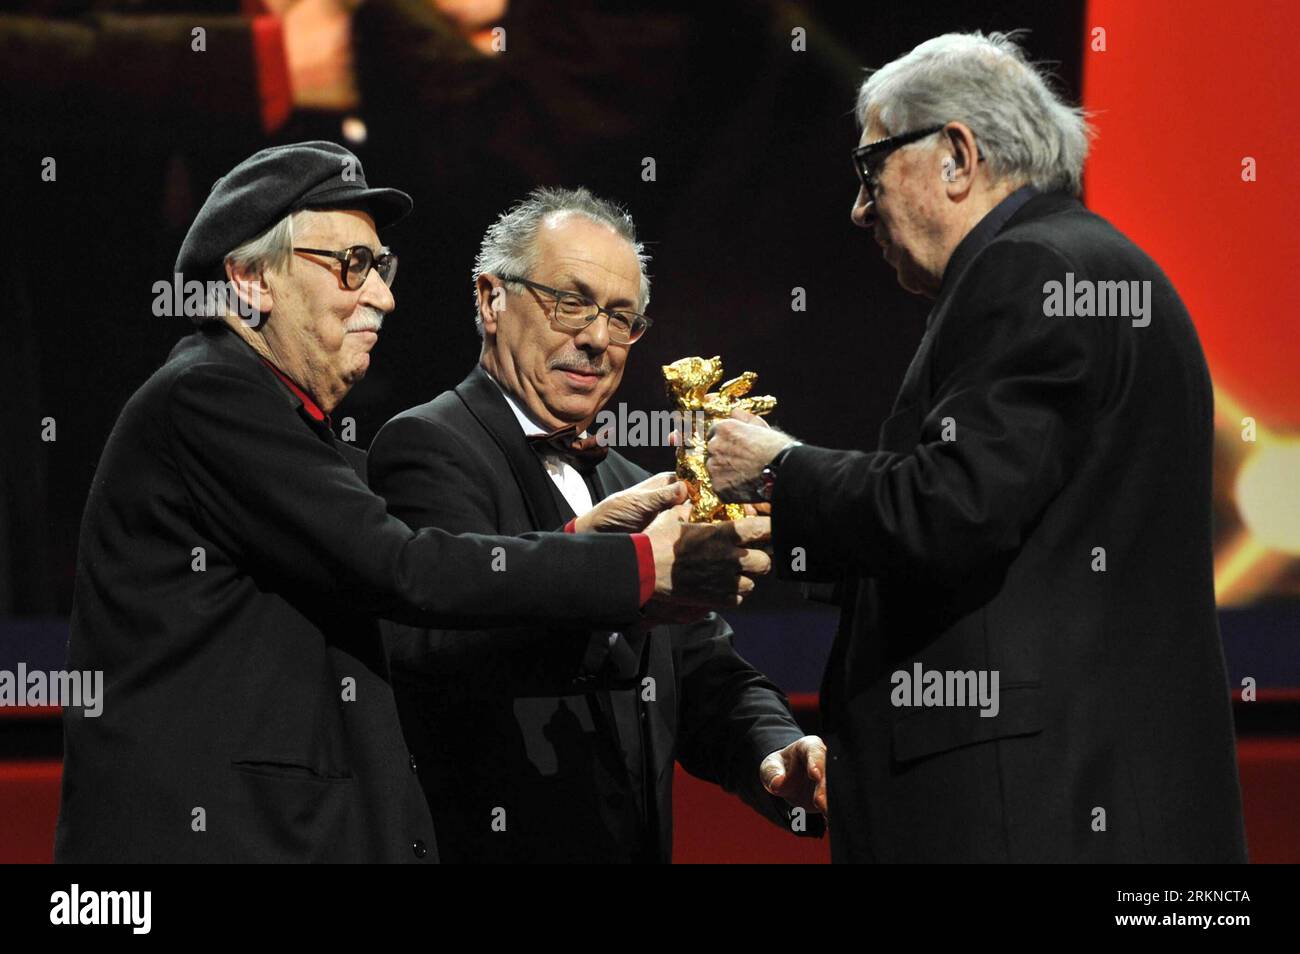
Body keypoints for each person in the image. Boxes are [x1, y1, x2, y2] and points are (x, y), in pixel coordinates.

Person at [55, 142, 765, 863]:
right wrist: (639, 566)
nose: (384, 296)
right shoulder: (210, 394)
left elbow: (403, 614)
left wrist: (583, 532)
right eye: (351, 266)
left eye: (383, 267)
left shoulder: (292, 432)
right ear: (248, 280)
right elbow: (404, 571)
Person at [705, 32, 1247, 863]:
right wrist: (770, 534)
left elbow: (954, 507)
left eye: (869, 170)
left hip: (1031, 812)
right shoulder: (1090, 263)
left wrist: (781, 467)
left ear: (955, 154)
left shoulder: (1029, 268)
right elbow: (1012, 538)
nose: (859, 210)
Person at [367, 187, 826, 862]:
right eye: (570, 302)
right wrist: (616, 578)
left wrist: (775, 753)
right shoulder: (428, 447)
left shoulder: (626, 482)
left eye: (621, 317)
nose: (597, 339)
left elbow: (703, 671)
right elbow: (442, 645)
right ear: (490, 299)